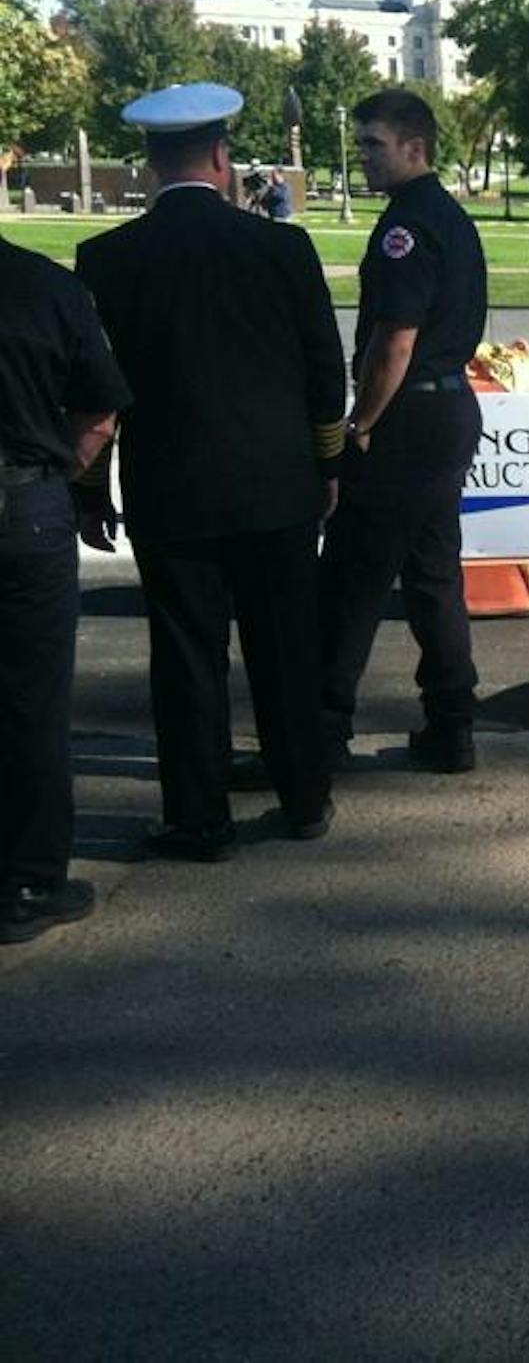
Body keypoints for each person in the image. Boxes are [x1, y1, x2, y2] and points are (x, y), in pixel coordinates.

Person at [74, 82, 346, 861]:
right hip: (277, 486)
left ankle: (198, 817)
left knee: (187, 659)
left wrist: (91, 490)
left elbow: (94, 392)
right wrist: (326, 464)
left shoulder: (107, 259)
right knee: (286, 649)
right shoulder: (284, 249)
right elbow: (325, 373)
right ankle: (304, 798)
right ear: (223, 159)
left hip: (172, 492)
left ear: (152, 165)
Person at [318, 88, 488, 775]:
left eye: (374, 144)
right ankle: (452, 725)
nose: (364, 157)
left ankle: (321, 732)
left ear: (414, 147)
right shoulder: (447, 216)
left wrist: (360, 424)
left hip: (407, 416)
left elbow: (395, 341)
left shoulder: (405, 228)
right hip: (446, 413)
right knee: (432, 576)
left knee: (351, 581)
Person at [0, 236, 130, 940]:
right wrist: (60, 479)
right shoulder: (47, 288)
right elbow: (98, 413)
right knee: (32, 699)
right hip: (24, 504)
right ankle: (26, 881)